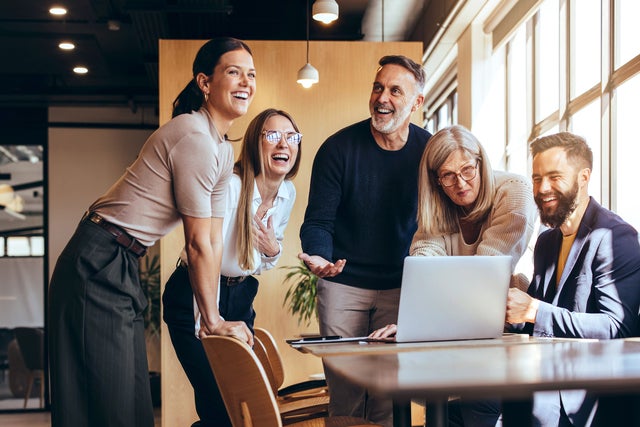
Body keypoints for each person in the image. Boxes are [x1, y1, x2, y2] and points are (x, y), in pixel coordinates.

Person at [47, 37, 256, 427]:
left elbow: (211, 239)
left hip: (121, 259)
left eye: (251, 74)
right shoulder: (193, 136)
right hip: (98, 258)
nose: (246, 82)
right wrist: (210, 320)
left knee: (129, 400)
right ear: (205, 83)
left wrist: (211, 319)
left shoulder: (222, 149)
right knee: (110, 403)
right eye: (233, 72)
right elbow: (195, 244)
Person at [369, 124, 538, 427]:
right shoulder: (439, 206)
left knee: (480, 410)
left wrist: (424, 320)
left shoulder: (515, 191)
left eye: (467, 170)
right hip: (460, 330)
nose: (460, 183)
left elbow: (485, 274)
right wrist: (412, 324)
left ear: (481, 162)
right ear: (436, 181)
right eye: (447, 176)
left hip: (507, 327)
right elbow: (424, 263)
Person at [299, 54, 432, 427]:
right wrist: (320, 257)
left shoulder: (429, 152)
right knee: (346, 395)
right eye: (377, 87)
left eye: (394, 90)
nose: (382, 98)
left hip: (400, 287)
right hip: (343, 285)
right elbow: (318, 222)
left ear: (416, 103)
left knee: (388, 398)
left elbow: (439, 224)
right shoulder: (337, 149)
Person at [162, 108, 301, 427]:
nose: (284, 144)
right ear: (255, 143)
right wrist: (208, 322)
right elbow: (203, 254)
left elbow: (264, 261)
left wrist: (273, 248)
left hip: (240, 296)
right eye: (272, 135)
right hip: (195, 294)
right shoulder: (232, 187)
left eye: (291, 136)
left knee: (242, 404)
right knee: (219, 405)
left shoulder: (286, 193)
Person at [505, 132, 640, 426]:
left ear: (583, 177)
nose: (542, 188)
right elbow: (536, 317)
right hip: (548, 375)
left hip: (590, 394)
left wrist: (533, 310)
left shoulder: (615, 237)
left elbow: (617, 328)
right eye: (537, 178)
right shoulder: (546, 241)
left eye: (555, 176)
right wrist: (501, 308)